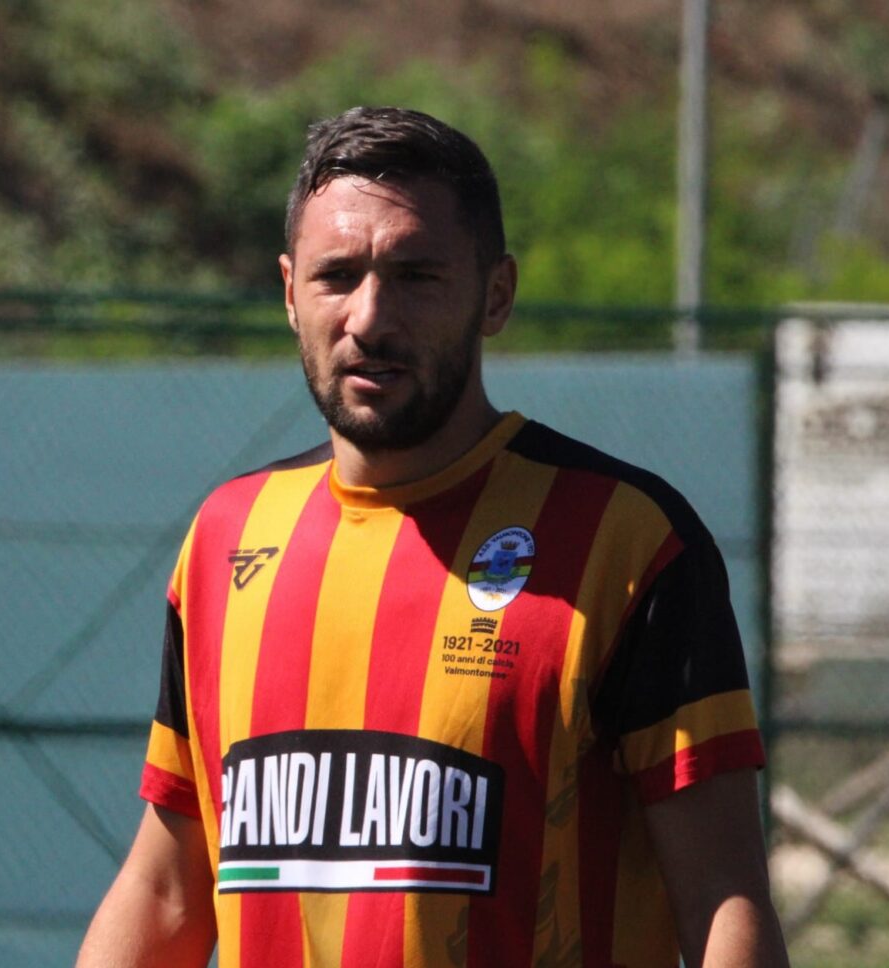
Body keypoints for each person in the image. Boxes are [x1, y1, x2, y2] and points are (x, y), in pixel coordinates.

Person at [76, 106, 789, 968]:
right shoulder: (227, 538)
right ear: (289, 293)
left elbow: (723, 902)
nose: (370, 318)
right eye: (337, 276)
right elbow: (165, 892)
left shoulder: (626, 540)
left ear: (496, 295)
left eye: (416, 276)